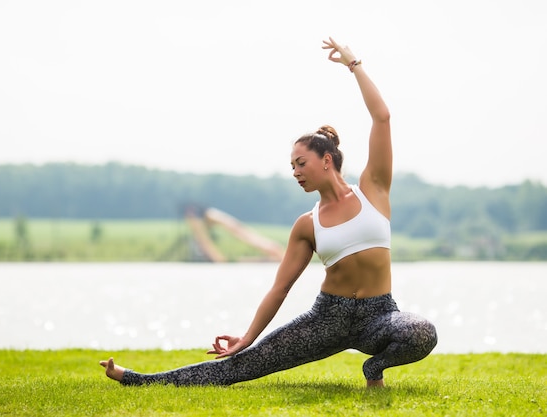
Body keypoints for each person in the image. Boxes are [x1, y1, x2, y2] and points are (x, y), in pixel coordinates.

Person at [100, 37, 437, 388]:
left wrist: (354, 64)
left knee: (421, 332)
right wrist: (247, 337)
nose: (295, 172)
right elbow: (280, 288)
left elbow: (382, 117)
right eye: (292, 167)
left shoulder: (374, 190)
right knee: (239, 366)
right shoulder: (308, 224)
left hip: (379, 316)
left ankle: (373, 370)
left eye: (301, 163)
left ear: (326, 159)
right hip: (328, 318)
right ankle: (135, 380)